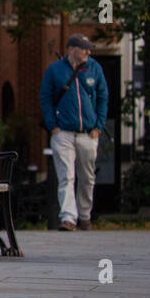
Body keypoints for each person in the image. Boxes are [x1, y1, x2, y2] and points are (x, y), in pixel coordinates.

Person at [39, 33, 109, 231]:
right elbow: (45, 98)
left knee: (87, 176)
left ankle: (84, 215)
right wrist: (53, 126)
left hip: (88, 132)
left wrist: (98, 126)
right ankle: (68, 217)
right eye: (84, 48)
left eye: (89, 48)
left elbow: (103, 97)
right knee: (66, 175)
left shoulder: (94, 68)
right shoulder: (54, 70)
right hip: (63, 133)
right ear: (71, 49)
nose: (88, 51)